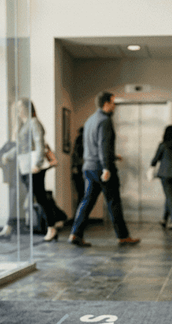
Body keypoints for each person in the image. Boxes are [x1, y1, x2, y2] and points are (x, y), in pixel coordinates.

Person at [68, 91, 140, 246]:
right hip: (102, 169)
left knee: (86, 202)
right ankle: (123, 236)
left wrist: (112, 156)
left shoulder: (90, 120)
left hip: (89, 167)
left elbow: (93, 146)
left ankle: (75, 233)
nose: (114, 106)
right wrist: (107, 167)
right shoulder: (105, 120)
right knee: (114, 201)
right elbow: (103, 145)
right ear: (106, 103)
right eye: (113, 103)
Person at [14, 99, 60, 241]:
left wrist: (38, 163)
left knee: (39, 197)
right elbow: (20, 147)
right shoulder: (24, 125)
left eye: (21, 107)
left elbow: (40, 143)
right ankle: (56, 222)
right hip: (25, 165)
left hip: (34, 166)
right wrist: (8, 155)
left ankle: (52, 225)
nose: (19, 110)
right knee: (39, 197)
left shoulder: (33, 122)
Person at [70, 126, 85, 210]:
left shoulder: (79, 140)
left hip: (78, 169)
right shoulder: (81, 140)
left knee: (81, 193)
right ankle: (80, 215)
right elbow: (76, 155)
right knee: (82, 193)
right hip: (80, 168)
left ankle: (80, 215)